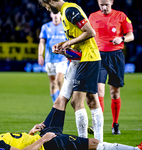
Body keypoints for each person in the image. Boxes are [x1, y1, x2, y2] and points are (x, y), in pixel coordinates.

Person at [38, 0, 104, 141]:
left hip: (88, 58)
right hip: (78, 59)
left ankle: (88, 142)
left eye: (47, 6)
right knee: (85, 100)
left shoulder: (70, 10)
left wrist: (69, 42)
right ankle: (93, 142)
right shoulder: (64, 12)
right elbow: (78, 42)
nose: (48, 9)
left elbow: (90, 32)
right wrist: (63, 47)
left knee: (79, 100)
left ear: (50, 1)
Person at [0, 105, 142, 150]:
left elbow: (20, 143)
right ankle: (137, 149)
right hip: (48, 143)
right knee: (93, 143)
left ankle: (75, 64)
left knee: (60, 102)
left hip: (42, 136)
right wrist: (44, 139)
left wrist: (30, 132)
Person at [88, 0, 134, 135]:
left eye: (106, 4)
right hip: (98, 57)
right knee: (99, 92)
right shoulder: (92, 16)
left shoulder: (121, 16)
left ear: (112, 2)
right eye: (101, 4)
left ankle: (115, 124)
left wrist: (122, 39)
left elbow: (131, 35)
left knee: (114, 93)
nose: (104, 7)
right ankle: (99, 125)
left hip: (116, 57)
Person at [38, 12, 68, 103]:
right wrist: (40, 55)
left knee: (59, 80)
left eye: (57, 13)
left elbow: (69, 42)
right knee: (53, 82)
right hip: (49, 59)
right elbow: (42, 42)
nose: (55, 15)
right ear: (51, 15)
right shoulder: (46, 27)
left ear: (60, 14)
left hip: (62, 59)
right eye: (53, 13)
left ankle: (61, 102)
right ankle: (55, 103)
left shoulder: (65, 26)